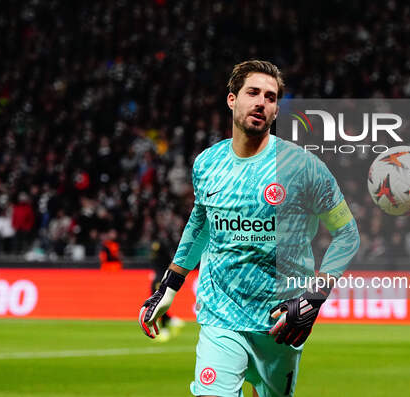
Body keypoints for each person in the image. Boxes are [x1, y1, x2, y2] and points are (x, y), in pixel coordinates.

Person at [138, 60, 360, 396]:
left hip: (281, 320)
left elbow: (347, 234)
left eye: (270, 98)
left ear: (275, 111)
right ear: (232, 100)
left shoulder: (302, 167)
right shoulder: (207, 163)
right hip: (219, 314)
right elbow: (201, 223)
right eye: (253, 93)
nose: (261, 102)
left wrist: (314, 298)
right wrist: (170, 286)